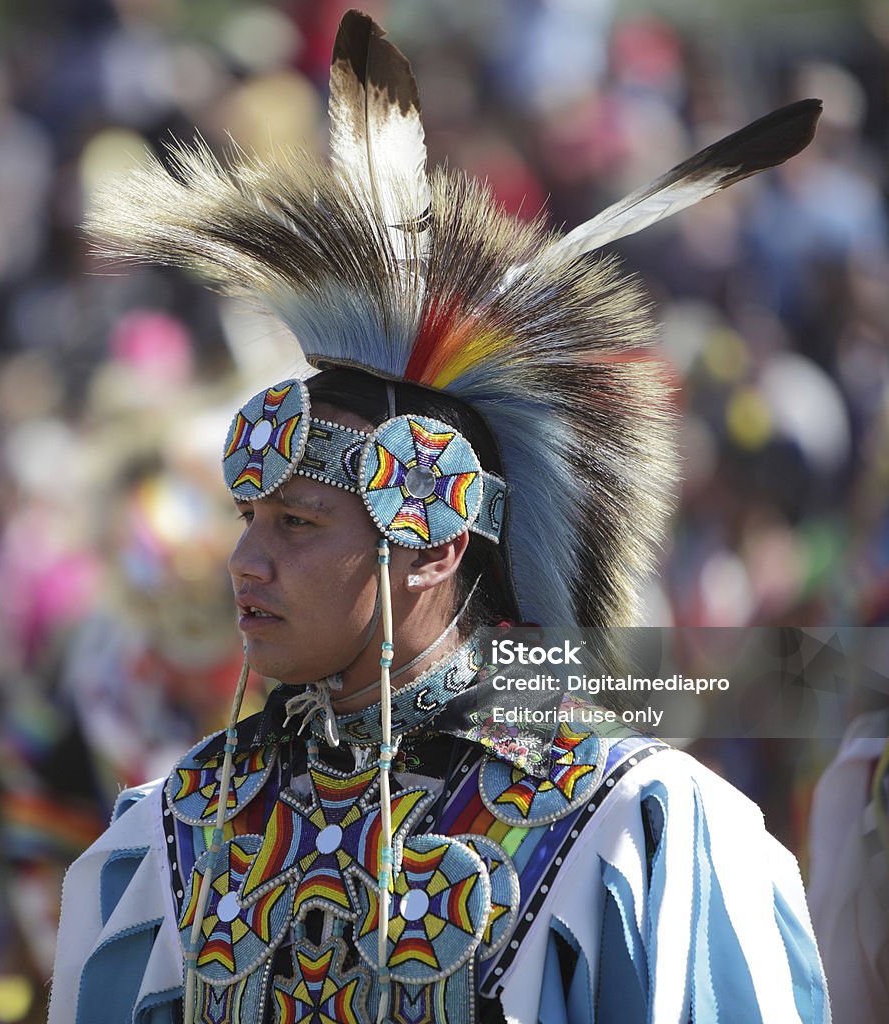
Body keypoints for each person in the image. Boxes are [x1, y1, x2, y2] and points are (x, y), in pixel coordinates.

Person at [49, 11, 830, 1023]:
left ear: (431, 543)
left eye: (294, 525)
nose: (243, 561)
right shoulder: (174, 834)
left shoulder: (627, 830)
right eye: (250, 518)